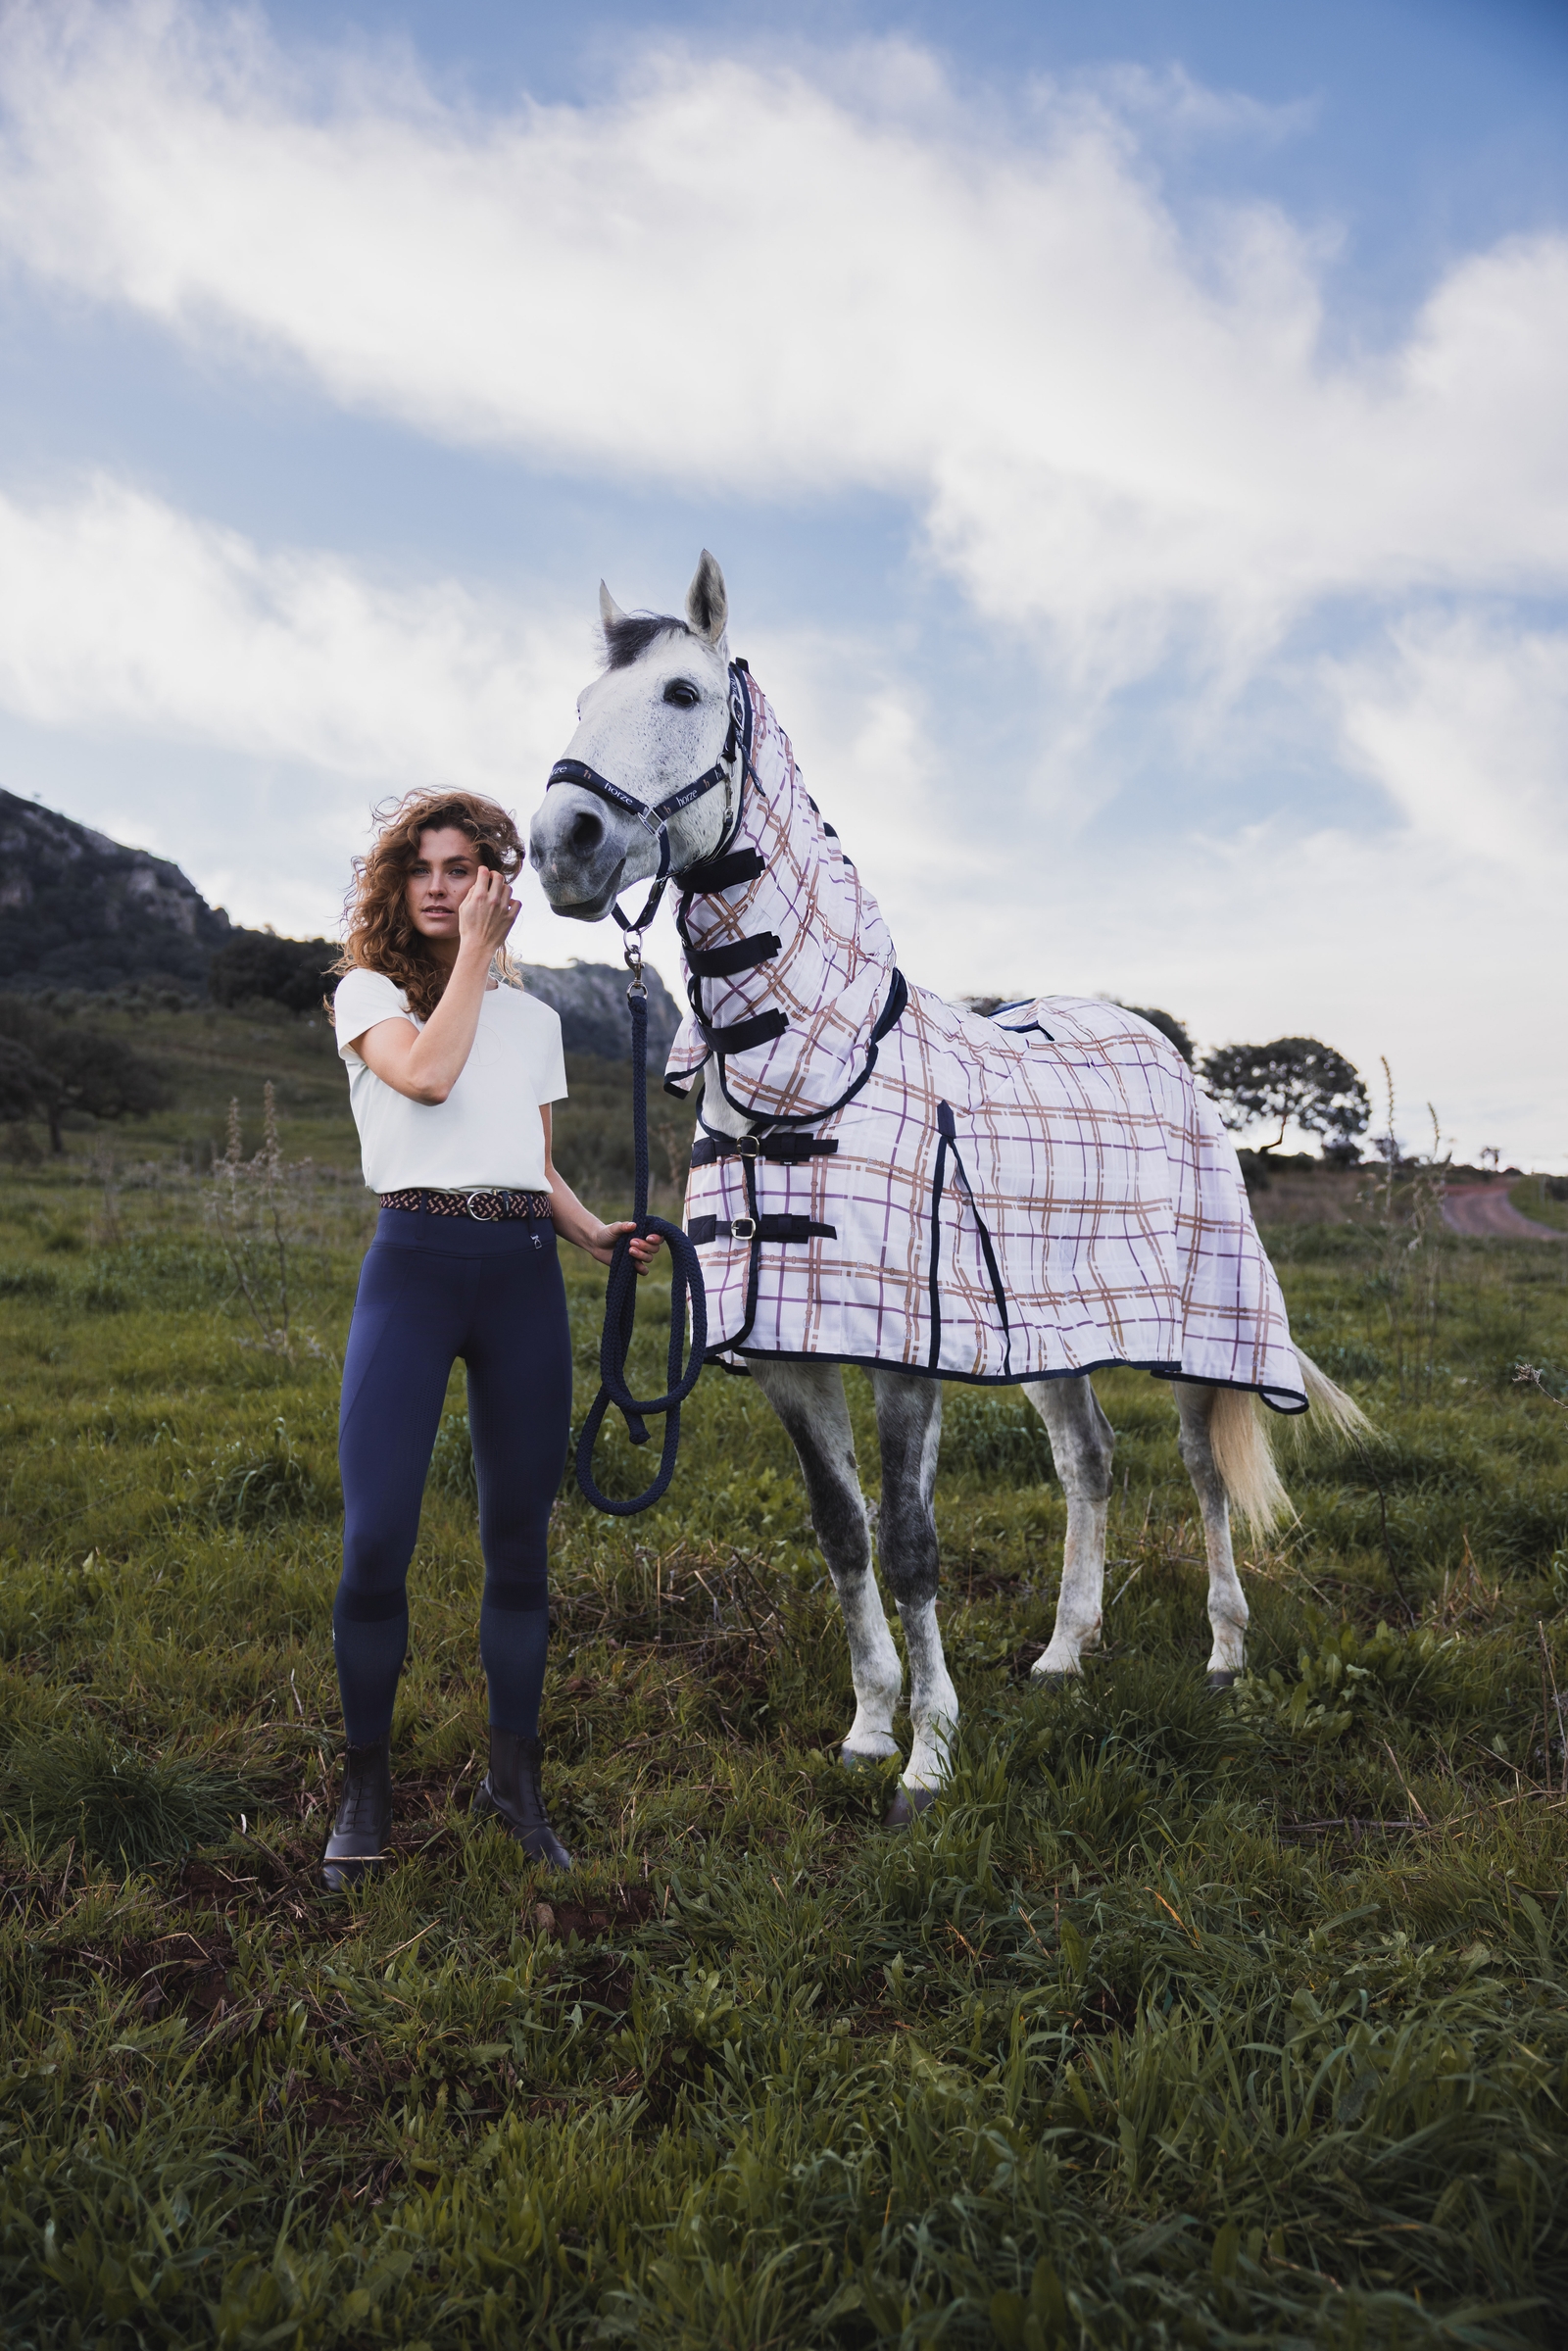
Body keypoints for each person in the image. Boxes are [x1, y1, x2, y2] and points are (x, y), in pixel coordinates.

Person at [323, 789, 660, 1892]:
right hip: (413, 1265)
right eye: (420, 866)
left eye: (461, 867)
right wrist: (475, 958)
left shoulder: (535, 1020)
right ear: (395, 884)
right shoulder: (366, 991)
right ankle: (364, 1784)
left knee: (520, 1543)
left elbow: (534, 1151)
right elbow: (424, 1076)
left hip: (518, 1272)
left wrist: (588, 1227)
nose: (437, 883)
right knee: (377, 1537)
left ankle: (513, 1782)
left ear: (495, 881)